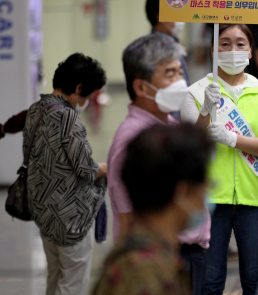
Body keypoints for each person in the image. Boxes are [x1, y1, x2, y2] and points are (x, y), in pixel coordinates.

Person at [180, 24, 258, 295]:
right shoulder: (197, 92)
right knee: (210, 282)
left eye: (240, 44)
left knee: (254, 281)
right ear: (214, 50)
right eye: (224, 44)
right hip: (210, 200)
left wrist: (232, 139)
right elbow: (190, 147)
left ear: (250, 51)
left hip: (253, 198)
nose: (232, 50)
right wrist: (205, 110)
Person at [107, 33, 211, 294]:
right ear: (141, 87)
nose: (179, 82)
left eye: (179, 72)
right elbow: (129, 215)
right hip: (164, 254)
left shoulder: (166, 125)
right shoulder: (133, 141)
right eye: (169, 74)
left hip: (183, 253)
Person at [93, 124, 213, 295]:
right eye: (204, 185)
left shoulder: (151, 254)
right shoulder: (145, 273)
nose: (206, 195)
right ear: (183, 192)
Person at [24, 53, 108, 295]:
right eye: (88, 95)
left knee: (55, 275)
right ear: (78, 87)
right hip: (70, 218)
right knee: (72, 282)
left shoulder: (35, 110)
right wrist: (106, 167)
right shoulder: (67, 117)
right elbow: (86, 169)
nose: (87, 102)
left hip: (43, 210)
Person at [146, 0, 191, 88]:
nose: (180, 18)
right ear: (161, 17)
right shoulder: (162, 47)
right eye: (175, 13)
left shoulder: (170, 42)